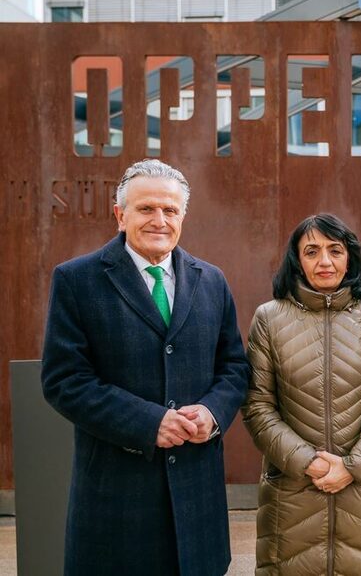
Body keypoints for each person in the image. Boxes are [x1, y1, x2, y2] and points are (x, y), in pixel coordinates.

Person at [41, 159, 249, 575]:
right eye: (146, 208)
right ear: (120, 215)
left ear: (183, 217)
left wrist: (212, 412)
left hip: (196, 504)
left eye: (170, 210)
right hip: (117, 504)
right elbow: (64, 380)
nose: (160, 220)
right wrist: (149, 422)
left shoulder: (211, 280)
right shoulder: (77, 280)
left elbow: (234, 367)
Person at [242, 214, 361, 575]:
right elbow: (257, 406)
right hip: (293, 492)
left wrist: (353, 466)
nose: (325, 261)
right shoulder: (269, 318)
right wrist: (308, 462)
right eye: (312, 251)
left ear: (350, 258)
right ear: (296, 259)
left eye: (335, 250)